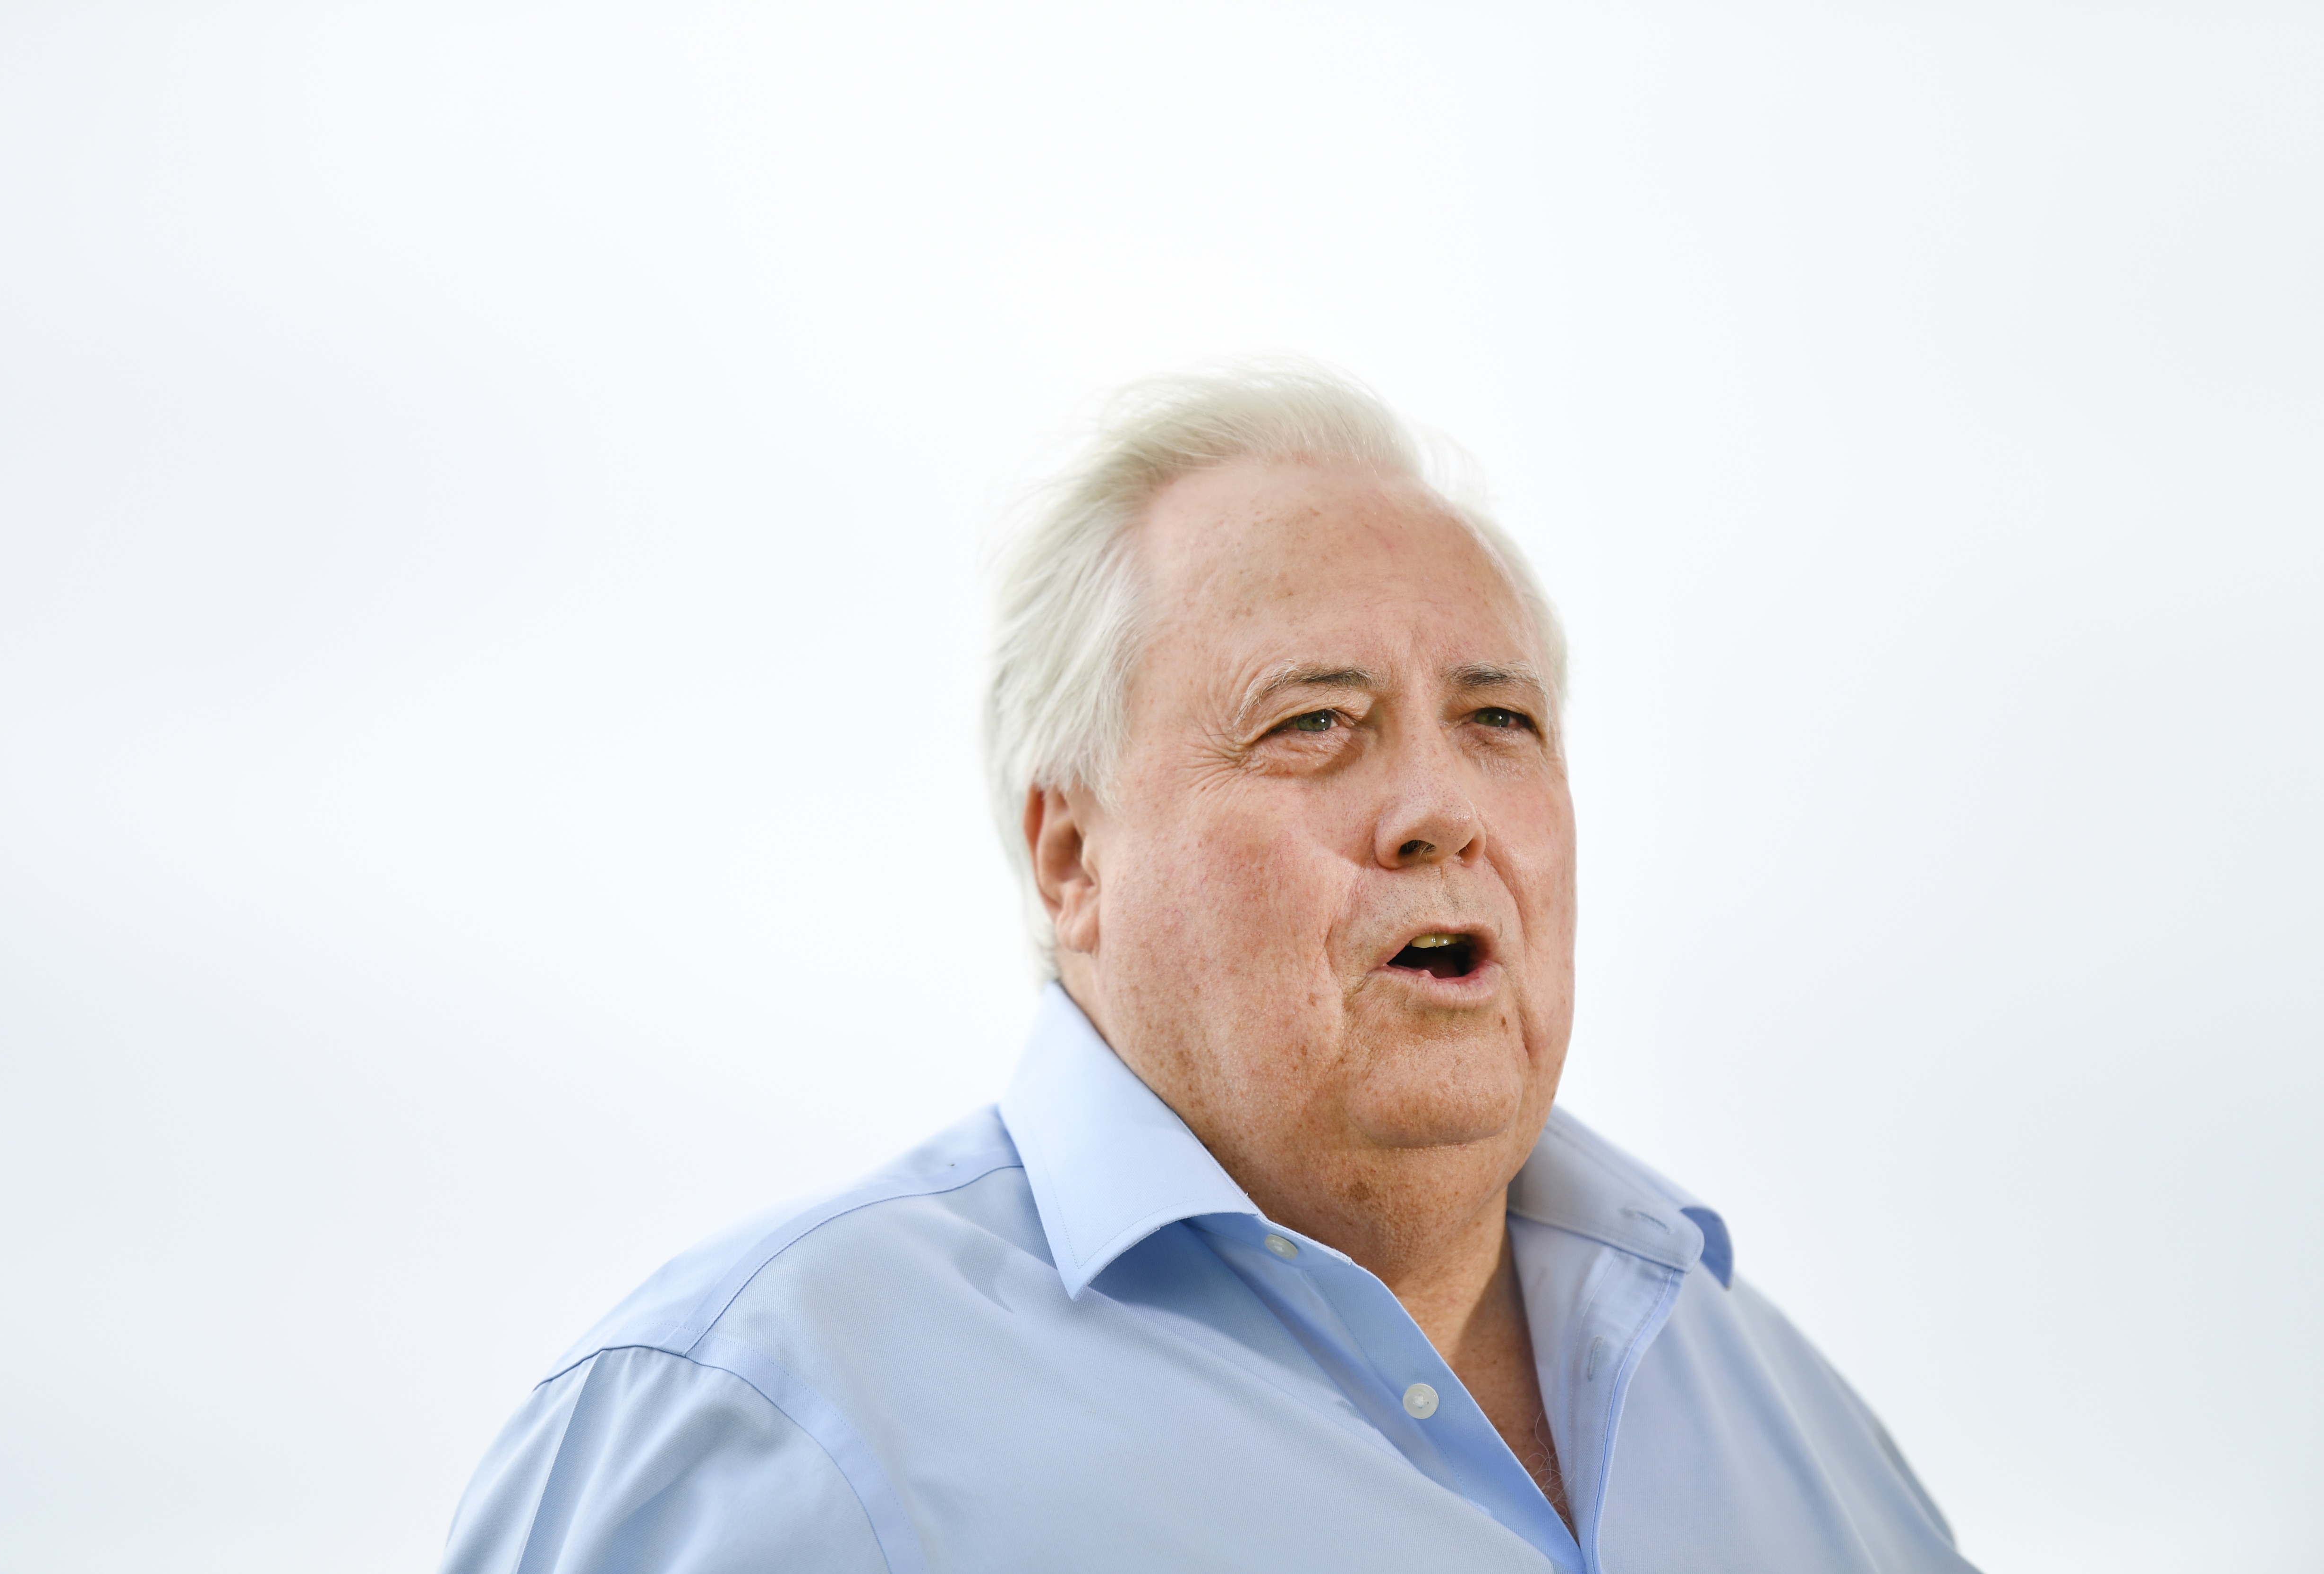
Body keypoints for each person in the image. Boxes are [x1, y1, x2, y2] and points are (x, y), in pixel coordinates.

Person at [439, 364, 1976, 1573]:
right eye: (1315, 722)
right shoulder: (763, 1417)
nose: (1441, 808)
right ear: (1072, 857)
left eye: (1500, 723)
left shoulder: (1798, 1433)